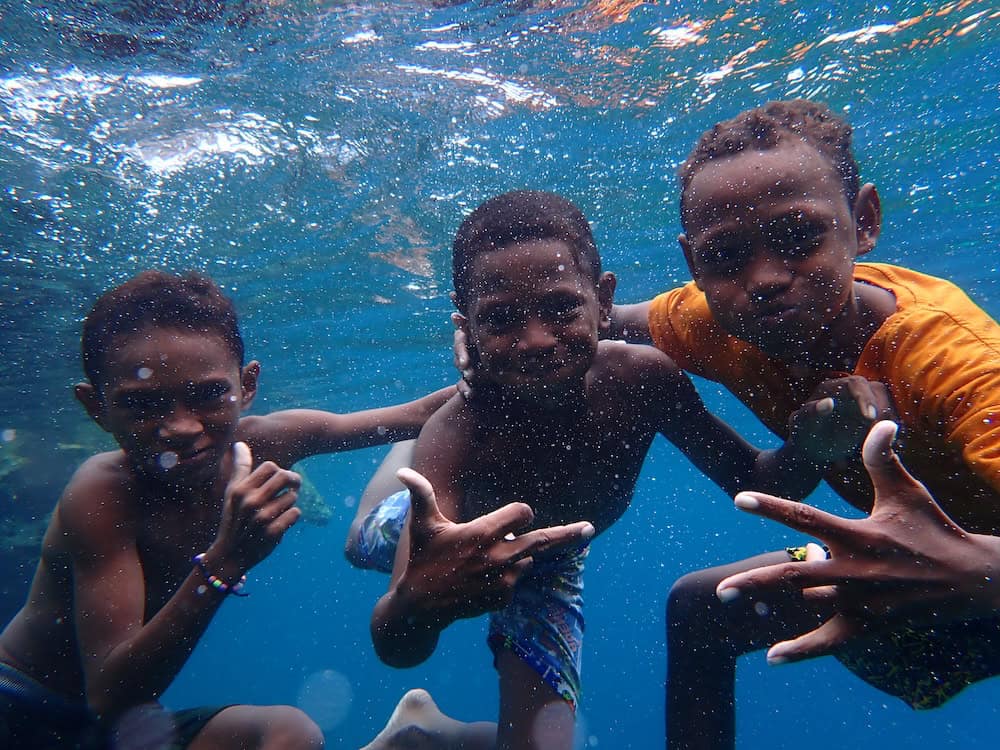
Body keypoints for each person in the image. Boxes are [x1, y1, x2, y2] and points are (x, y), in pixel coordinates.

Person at [354, 190, 849, 750]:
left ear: (604, 299)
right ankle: (390, 472)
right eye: (501, 319)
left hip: (550, 560)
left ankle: (426, 734)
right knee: (364, 536)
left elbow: (756, 482)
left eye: (562, 308)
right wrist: (418, 598)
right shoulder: (455, 433)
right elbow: (395, 647)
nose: (537, 339)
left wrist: (814, 445)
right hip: (448, 542)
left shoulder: (643, 379)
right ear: (465, 323)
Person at [604, 99, 1000, 748]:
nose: (763, 278)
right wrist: (481, 352)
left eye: (799, 237)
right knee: (705, 605)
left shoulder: (949, 362)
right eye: (724, 255)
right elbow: (589, 324)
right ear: (692, 264)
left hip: (981, 581)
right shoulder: (711, 319)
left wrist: (973, 574)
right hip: (877, 567)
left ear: (864, 221)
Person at [0, 270, 464, 749]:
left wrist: (491, 366)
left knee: (290, 733)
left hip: (117, 730)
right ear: (95, 407)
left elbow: (415, 415)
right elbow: (111, 697)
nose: (180, 426)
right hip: (21, 708)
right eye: (143, 404)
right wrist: (226, 560)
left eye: (207, 395)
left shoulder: (268, 439)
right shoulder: (102, 495)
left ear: (247, 385)